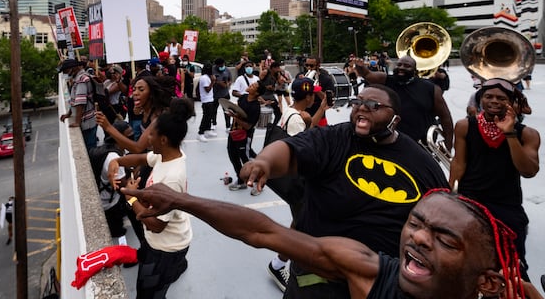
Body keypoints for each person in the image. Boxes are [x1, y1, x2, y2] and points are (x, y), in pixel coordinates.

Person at [122, 185, 540, 299]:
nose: (418, 238)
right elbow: (264, 232)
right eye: (416, 223)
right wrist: (180, 199)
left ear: (486, 282)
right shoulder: (367, 271)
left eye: (445, 239)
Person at [241, 84, 448, 298]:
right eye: (357, 102)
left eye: (373, 105)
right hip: (317, 279)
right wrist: (264, 162)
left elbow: (444, 213)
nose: (362, 108)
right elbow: (291, 148)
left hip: (379, 283)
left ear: (395, 118)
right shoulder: (334, 138)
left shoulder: (420, 162)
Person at [449, 77, 540, 280]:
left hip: (506, 204)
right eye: (488, 96)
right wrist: (450, 195)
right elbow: (459, 163)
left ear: (512, 102)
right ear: (480, 99)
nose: (494, 101)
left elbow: (529, 171)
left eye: (501, 97)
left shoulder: (528, 134)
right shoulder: (464, 126)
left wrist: (509, 134)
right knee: (464, 260)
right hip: (470, 201)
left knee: (513, 266)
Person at [112, 98, 194, 299]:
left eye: (151, 135)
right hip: (158, 244)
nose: (147, 139)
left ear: (163, 139)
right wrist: (116, 161)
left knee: (149, 295)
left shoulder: (171, 177)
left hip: (166, 249)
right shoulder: (167, 155)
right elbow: (140, 158)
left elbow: (156, 225)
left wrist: (132, 198)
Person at [265, 77, 314, 292]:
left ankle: (282, 262)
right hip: (296, 183)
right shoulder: (297, 120)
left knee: (300, 221)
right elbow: (302, 150)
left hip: (291, 181)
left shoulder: (290, 111)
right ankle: (280, 264)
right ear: (310, 96)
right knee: (301, 222)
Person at [355, 55, 454, 151]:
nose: (401, 68)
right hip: (389, 143)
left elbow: (445, 118)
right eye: (399, 65)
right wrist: (360, 66)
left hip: (420, 146)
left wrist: (448, 145)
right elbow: (367, 74)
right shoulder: (386, 80)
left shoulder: (431, 89)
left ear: (415, 70)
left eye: (407, 66)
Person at [96, 74, 176, 154]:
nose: (135, 93)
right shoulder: (144, 111)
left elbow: (138, 148)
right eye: (134, 89)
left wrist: (108, 127)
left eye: (141, 90)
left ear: (151, 94)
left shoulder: (157, 117)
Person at [226, 81, 265, 195]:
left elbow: (248, 126)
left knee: (247, 160)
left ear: (256, 93)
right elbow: (239, 112)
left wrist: (234, 117)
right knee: (233, 156)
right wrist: (232, 111)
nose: (250, 85)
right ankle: (242, 180)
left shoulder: (255, 107)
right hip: (234, 132)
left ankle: (259, 183)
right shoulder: (243, 98)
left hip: (244, 136)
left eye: (253, 86)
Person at [58, 58, 97, 150]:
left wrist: (77, 122)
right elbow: (74, 100)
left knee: (90, 150)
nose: (65, 73)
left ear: (73, 68)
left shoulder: (81, 80)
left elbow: (80, 103)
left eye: (65, 70)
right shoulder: (78, 78)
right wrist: (69, 114)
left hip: (87, 123)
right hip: (87, 121)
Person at [303, 56, 335, 127]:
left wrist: (316, 89)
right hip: (303, 115)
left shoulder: (326, 79)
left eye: (311, 66)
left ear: (318, 65)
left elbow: (328, 99)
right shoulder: (302, 76)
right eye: (306, 65)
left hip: (319, 115)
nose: (308, 68)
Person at [211, 58, 232, 132]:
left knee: (227, 111)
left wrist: (227, 84)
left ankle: (228, 126)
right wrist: (218, 82)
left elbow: (230, 80)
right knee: (213, 110)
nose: (222, 66)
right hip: (215, 94)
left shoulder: (227, 70)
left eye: (223, 65)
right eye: (220, 65)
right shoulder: (212, 70)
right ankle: (213, 123)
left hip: (225, 94)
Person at [197, 62, 216, 142]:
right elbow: (207, 90)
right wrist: (212, 82)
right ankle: (200, 133)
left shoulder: (208, 77)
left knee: (210, 116)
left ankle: (208, 130)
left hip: (210, 99)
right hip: (206, 100)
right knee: (206, 117)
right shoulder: (204, 78)